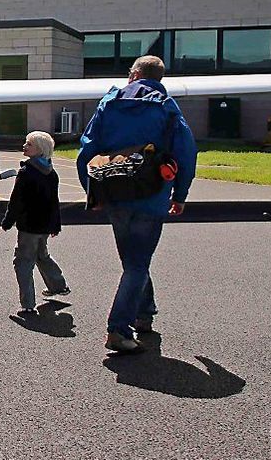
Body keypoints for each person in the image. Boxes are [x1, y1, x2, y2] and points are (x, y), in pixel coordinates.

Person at [77, 55, 197, 354]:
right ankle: (119, 328)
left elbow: (87, 149)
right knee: (137, 263)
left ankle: (145, 313)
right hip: (152, 195)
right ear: (159, 77)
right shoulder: (167, 106)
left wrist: (92, 193)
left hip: (115, 192)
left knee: (133, 261)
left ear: (134, 74)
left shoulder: (111, 101)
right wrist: (179, 195)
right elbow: (186, 153)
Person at [2, 131, 69, 317]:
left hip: (29, 225)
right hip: (45, 225)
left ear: (39, 149)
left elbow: (17, 201)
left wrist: (8, 220)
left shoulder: (26, 173)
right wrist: (55, 224)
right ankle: (58, 285)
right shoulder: (51, 172)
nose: (24, 146)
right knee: (42, 255)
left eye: (29, 144)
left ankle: (28, 303)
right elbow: (54, 201)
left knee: (23, 261)